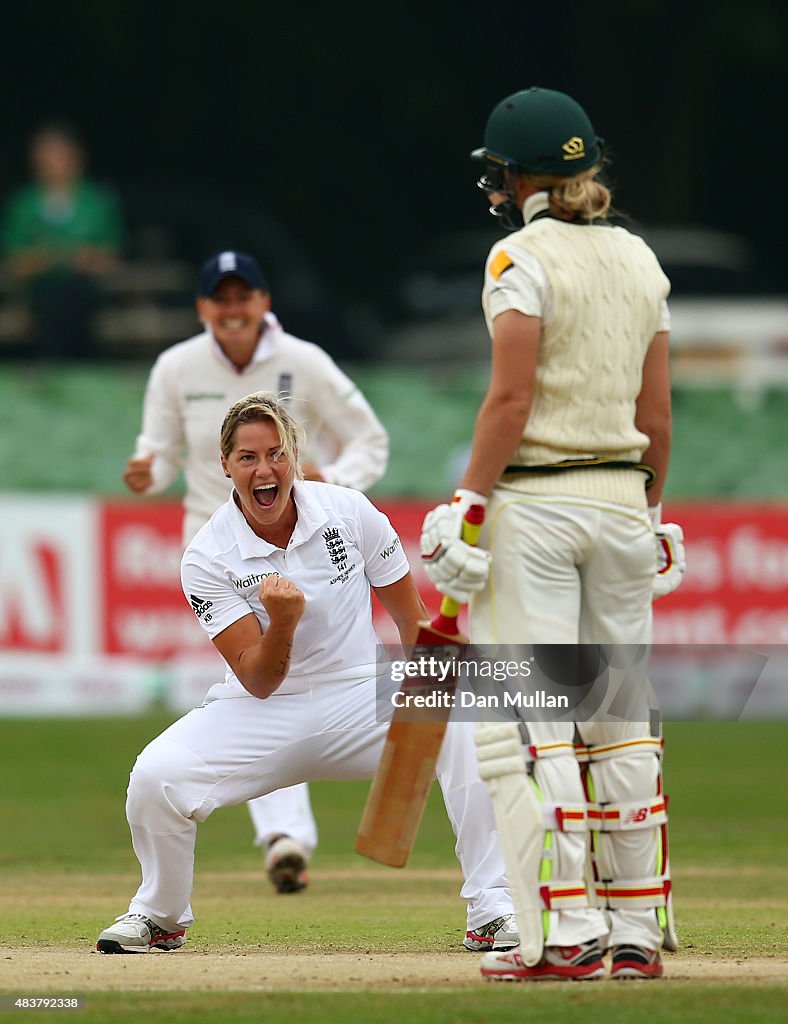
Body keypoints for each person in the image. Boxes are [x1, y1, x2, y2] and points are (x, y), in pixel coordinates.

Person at [420, 87, 684, 982]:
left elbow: (511, 400)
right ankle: (636, 931)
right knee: (621, 721)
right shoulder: (641, 259)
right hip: (622, 501)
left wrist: (467, 504)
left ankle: (565, 933)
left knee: (535, 723)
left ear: (516, 177)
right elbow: (657, 416)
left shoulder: (517, 258)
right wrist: (651, 516)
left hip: (535, 504)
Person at [96, 391, 515, 953]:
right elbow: (258, 679)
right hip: (264, 709)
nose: (264, 469)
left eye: (276, 454)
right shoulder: (206, 555)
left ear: (294, 456)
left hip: (364, 693)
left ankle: (493, 908)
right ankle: (160, 914)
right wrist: (283, 623)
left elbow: (413, 622)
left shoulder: (351, 511)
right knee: (156, 777)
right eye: (248, 458)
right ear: (225, 466)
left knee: (467, 717)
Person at [122, 251, 390, 895]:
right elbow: (159, 453)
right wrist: (148, 472)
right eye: (221, 299)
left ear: (264, 303)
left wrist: (333, 483)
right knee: (261, 677)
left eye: (244, 297)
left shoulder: (305, 361)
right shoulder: (176, 366)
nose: (233, 310)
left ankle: (284, 833)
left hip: (305, 537)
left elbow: (370, 440)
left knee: (288, 676)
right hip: (220, 554)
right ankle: (284, 834)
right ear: (203, 308)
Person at [0, 121, 125, 359]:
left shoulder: (98, 201)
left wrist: (84, 260)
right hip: (37, 292)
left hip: (87, 292)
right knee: (55, 298)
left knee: (70, 295)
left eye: (58, 155)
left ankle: (61, 362)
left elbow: (111, 257)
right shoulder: (22, 204)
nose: (52, 163)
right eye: (45, 156)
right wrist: (43, 261)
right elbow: (13, 261)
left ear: (76, 157)